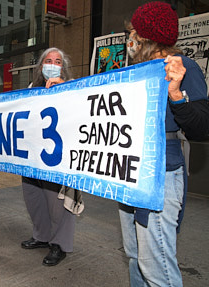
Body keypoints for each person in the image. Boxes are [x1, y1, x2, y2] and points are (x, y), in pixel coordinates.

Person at [119, 2, 209, 286]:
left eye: (132, 32)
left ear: (146, 36)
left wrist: (176, 93)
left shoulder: (184, 68)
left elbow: (202, 126)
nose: (128, 40)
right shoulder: (135, 72)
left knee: (155, 263)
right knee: (135, 255)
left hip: (159, 171)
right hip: (127, 171)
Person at [21, 47, 78, 267]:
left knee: (58, 205)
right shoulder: (30, 89)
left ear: (63, 67)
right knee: (34, 198)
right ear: (41, 66)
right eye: (48, 60)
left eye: (57, 61)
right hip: (32, 156)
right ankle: (41, 236)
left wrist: (65, 90)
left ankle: (59, 245)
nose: (52, 64)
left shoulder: (74, 89)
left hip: (59, 158)